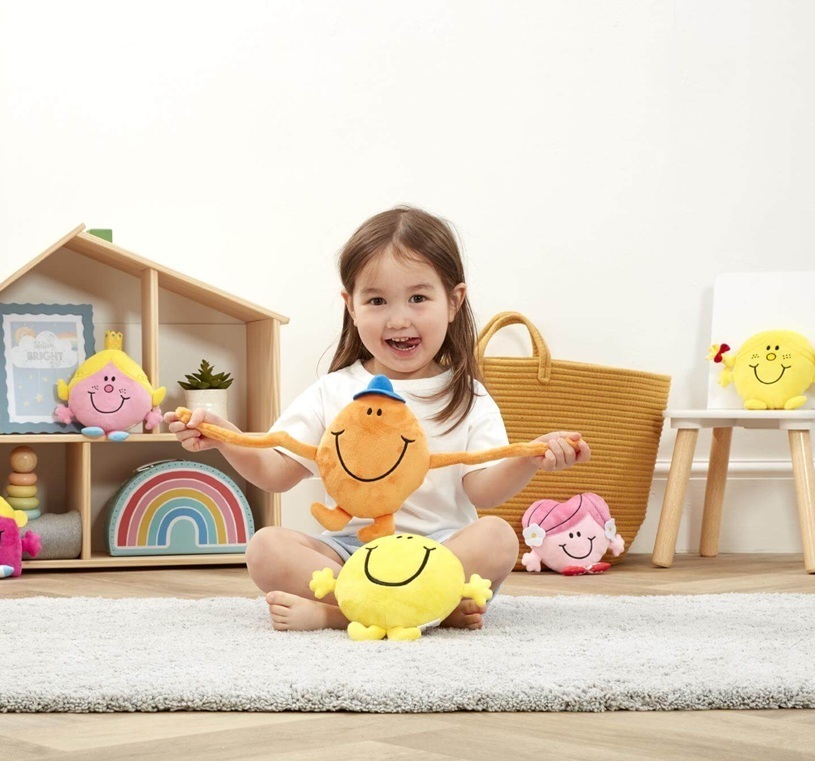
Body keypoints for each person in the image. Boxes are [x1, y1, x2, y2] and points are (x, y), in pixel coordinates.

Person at [165, 206, 591, 632]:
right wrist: (227, 438)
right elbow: (276, 472)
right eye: (377, 301)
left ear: (453, 302)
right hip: (350, 554)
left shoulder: (468, 395)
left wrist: (528, 458)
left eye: (418, 298)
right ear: (351, 307)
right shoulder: (332, 390)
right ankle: (426, 612)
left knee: (496, 537)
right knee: (265, 547)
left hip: (439, 553)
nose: (399, 319)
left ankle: (342, 614)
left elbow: (484, 490)